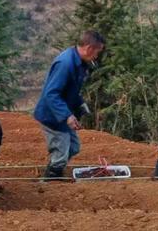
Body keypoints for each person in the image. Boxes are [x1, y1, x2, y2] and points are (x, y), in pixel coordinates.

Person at [33, 29, 106, 180]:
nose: (96, 56)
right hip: (52, 116)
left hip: (61, 114)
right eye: (96, 52)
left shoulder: (79, 63)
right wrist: (67, 116)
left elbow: (71, 89)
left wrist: (80, 104)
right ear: (89, 48)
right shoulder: (65, 64)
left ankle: (55, 169)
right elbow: (51, 93)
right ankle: (49, 183)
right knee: (61, 152)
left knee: (73, 147)